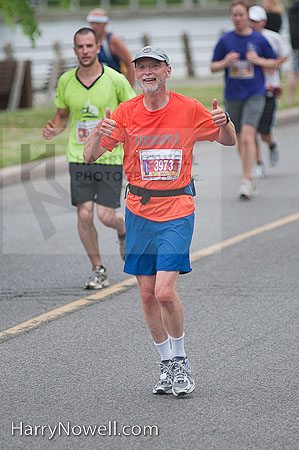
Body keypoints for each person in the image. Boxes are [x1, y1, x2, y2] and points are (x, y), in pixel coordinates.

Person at [83, 46, 236, 397]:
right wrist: (97, 130)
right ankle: (166, 364)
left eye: (154, 65)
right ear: (136, 73)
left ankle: (180, 360)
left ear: (167, 71)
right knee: (147, 294)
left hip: (177, 210)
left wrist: (224, 122)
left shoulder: (188, 108)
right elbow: (91, 154)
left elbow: (226, 141)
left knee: (166, 292)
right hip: (138, 210)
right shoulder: (124, 112)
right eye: (141, 67)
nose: (147, 71)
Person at [42, 27, 136, 290]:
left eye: (89, 46)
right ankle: (98, 269)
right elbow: (62, 115)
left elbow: (133, 112)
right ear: (75, 51)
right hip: (78, 156)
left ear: (97, 48)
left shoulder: (115, 79)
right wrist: (54, 128)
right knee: (84, 215)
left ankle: (123, 229)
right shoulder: (66, 81)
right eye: (79, 47)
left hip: (109, 155)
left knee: (106, 216)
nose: (84, 51)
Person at [210, 0, 277, 200]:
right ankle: (250, 169)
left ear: (248, 17)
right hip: (233, 95)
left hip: (255, 93)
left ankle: (246, 180)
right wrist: (225, 62)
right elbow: (213, 67)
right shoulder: (225, 40)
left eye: (241, 15)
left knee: (248, 135)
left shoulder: (259, 39)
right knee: (240, 137)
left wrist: (257, 61)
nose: (238, 19)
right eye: (234, 15)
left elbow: (273, 62)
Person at [249, 5, 288, 177]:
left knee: (264, 132)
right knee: (252, 129)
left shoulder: (273, 38)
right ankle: (258, 162)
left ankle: (271, 144)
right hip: (250, 90)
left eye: (256, 21)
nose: (253, 24)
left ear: (263, 22)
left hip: (269, 89)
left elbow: (284, 55)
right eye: (250, 20)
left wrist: (268, 64)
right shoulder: (245, 39)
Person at [87, 8, 135, 88]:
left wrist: (129, 89)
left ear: (105, 23)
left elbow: (130, 64)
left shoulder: (113, 40)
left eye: (97, 23)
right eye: (92, 23)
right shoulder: (89, 41)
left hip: (115, 86)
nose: (94, 26)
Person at [287, 0, 299, 104]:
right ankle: (290, 98)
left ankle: (290, 98)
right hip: (297, 45)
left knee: (294, 71)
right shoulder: (295, 8)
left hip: (294, 44)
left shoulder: (291, 8)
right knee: (294, 72)